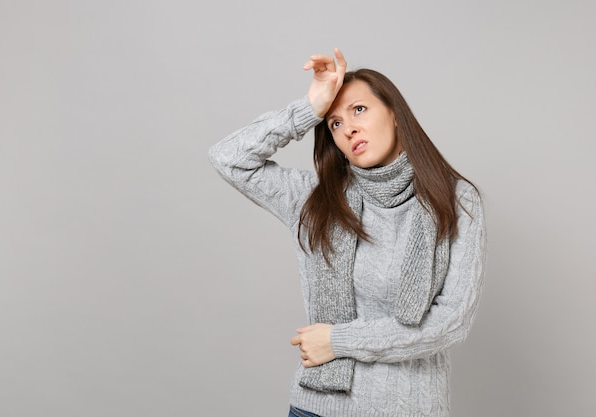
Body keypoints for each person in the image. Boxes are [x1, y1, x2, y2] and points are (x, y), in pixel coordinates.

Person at [208, 48, 486, 417]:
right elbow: (229, 158)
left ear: (395, 114)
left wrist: (337, 341)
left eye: (359, 110)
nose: (348, 127)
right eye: (335, 123)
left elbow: (449, 323)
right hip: (316, 408)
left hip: (407, 409)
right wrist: (311, 107)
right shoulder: (314, 200)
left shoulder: (454, 200)